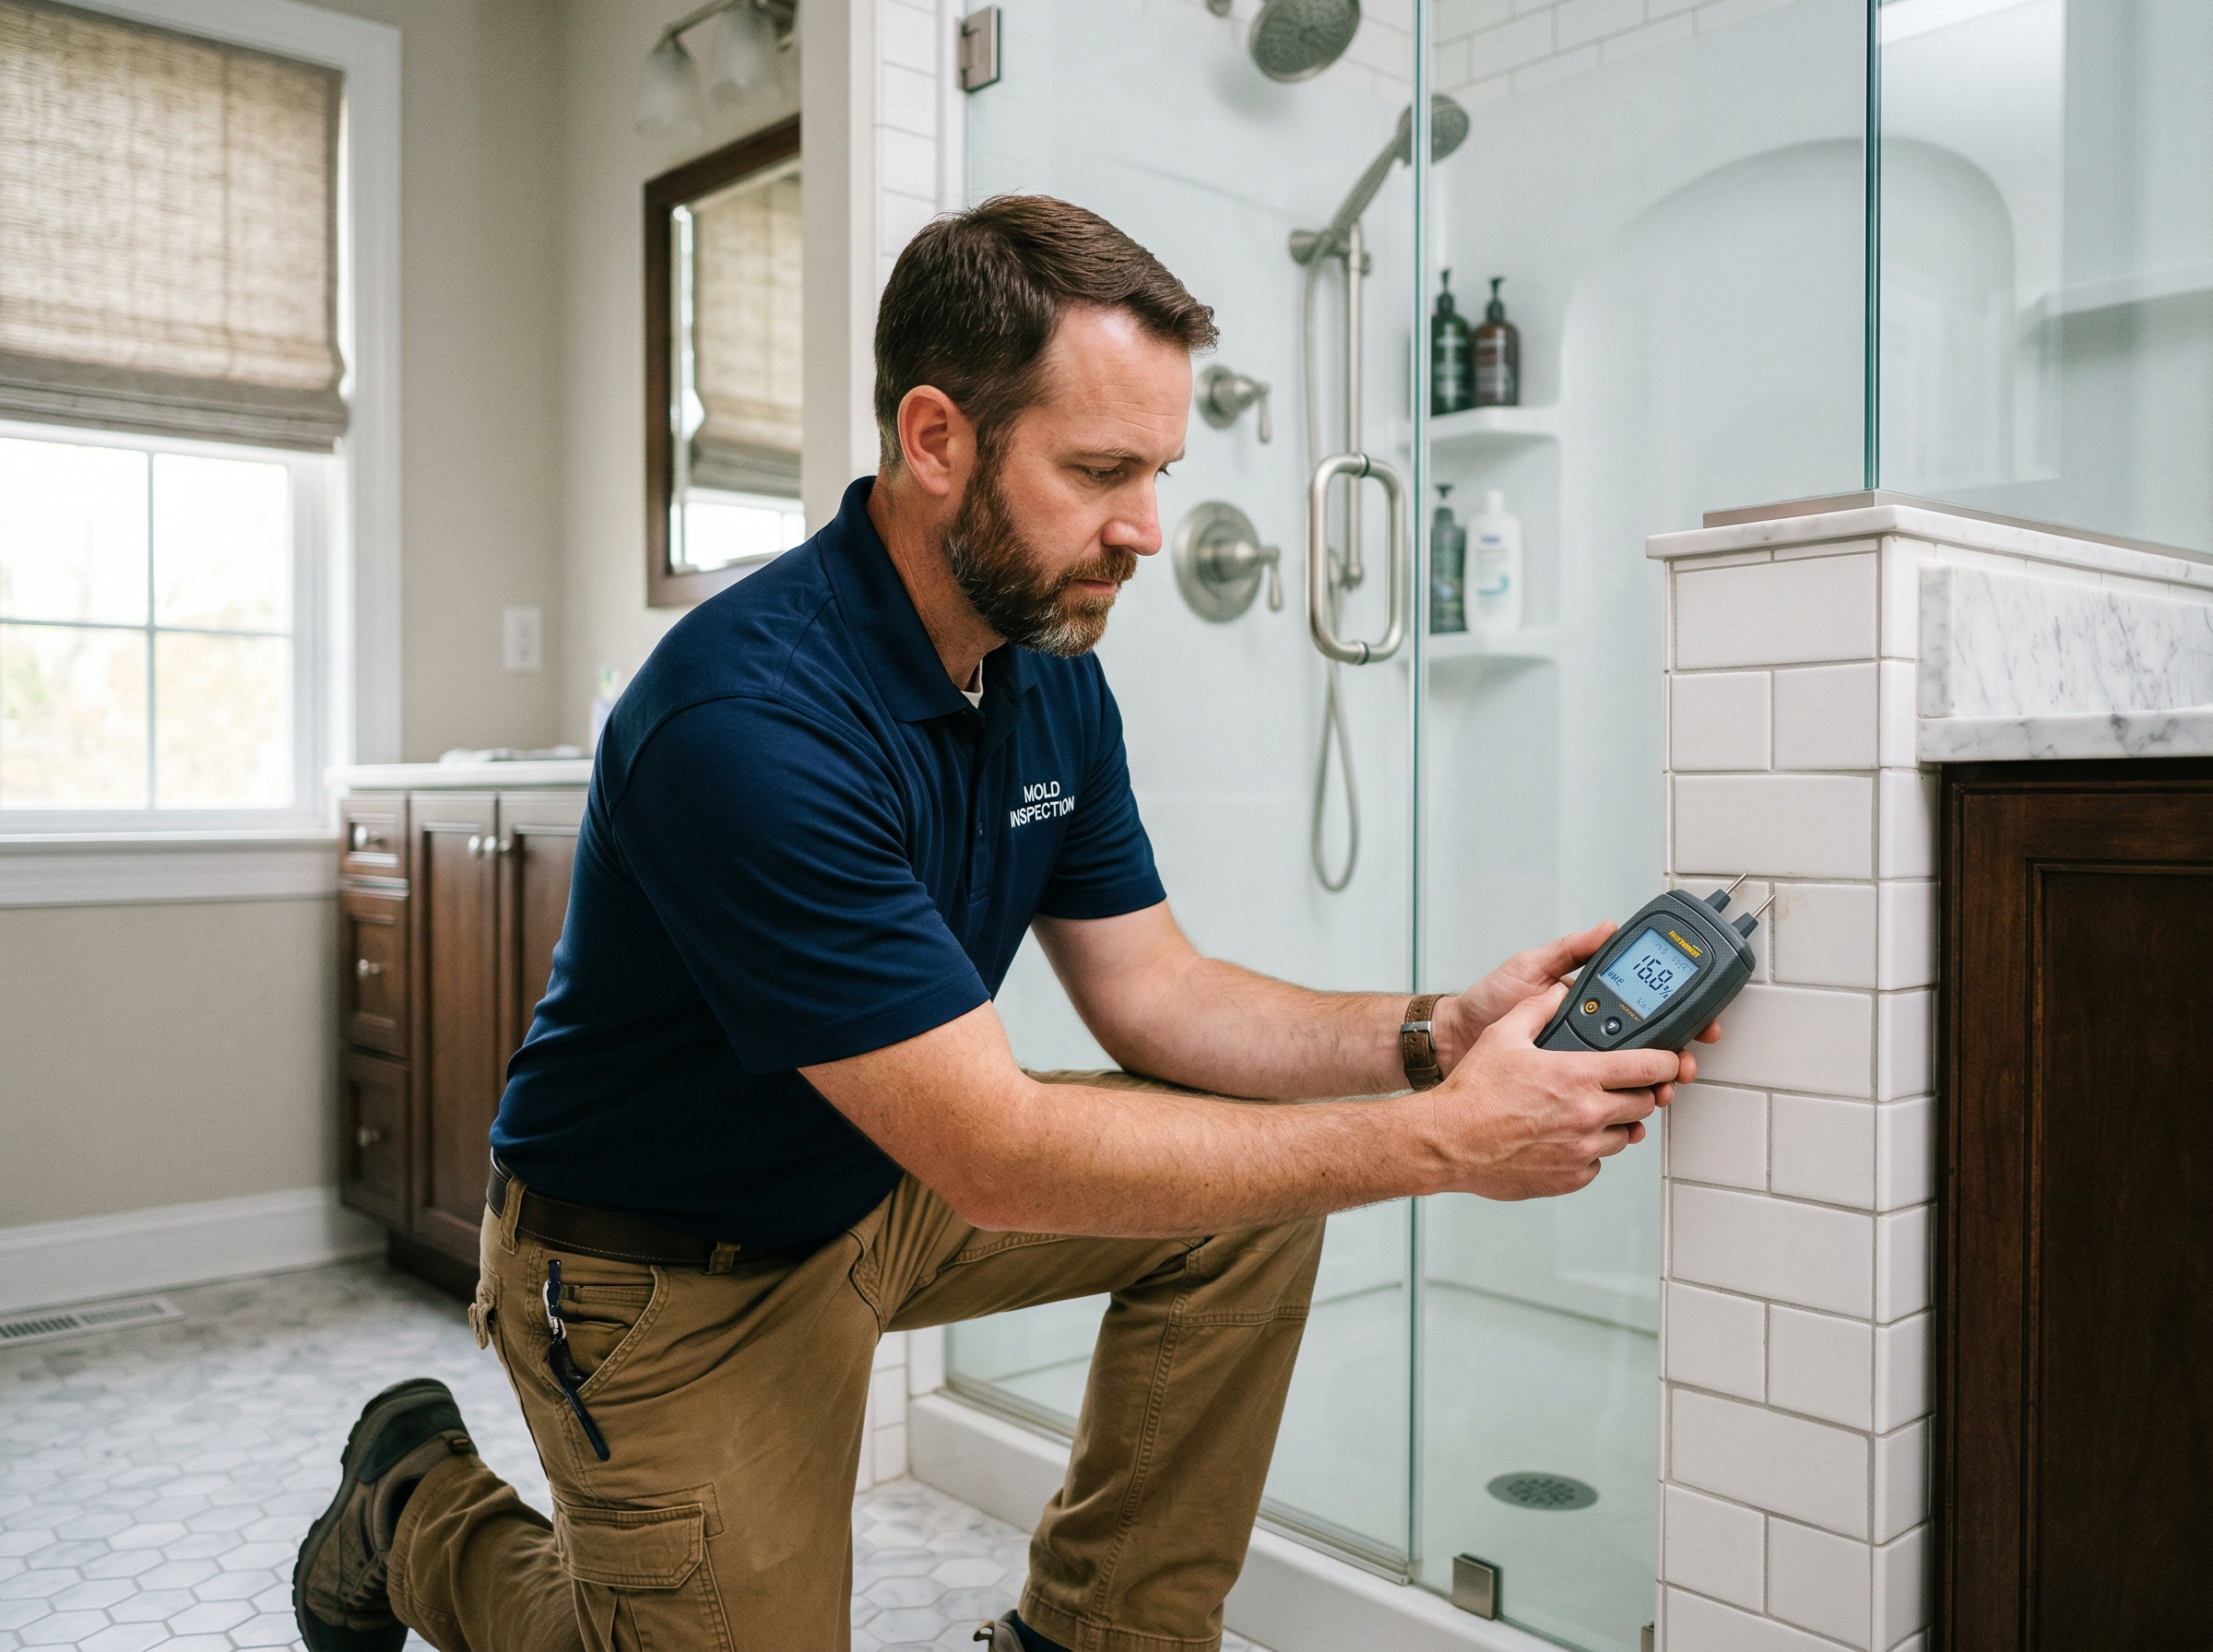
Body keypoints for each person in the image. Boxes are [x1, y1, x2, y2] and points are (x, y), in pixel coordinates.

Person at [292, 195, 1711, 1652]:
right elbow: (996, 1153)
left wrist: (1436, 1035)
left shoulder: (1043, 665)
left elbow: (1156, 992)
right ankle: (414, 1504)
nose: (1147, 531)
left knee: (1254, 1204)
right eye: (1101, 470)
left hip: (875, 1186)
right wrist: (1440, 1144)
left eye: (1158, 470)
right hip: (659, 1265)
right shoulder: (748, 719)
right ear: (934, 440)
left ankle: (1087, 1638)